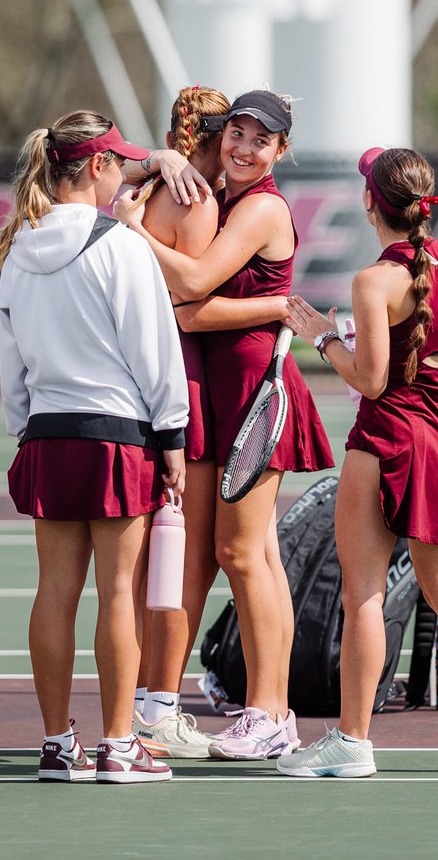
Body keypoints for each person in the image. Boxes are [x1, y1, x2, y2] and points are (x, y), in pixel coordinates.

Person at [277, 145, 438, 778]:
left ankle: (351, 741)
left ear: (371, 203)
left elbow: (369, 382)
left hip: (386, 439)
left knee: (362, 595)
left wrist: (323, 336)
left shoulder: (373, 281)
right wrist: (422, 362)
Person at [115, 90, 334, 760]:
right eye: (236, 133)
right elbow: (99, 157)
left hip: (252, 391)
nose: (243, 147)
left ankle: (269, 713)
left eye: (259, 140)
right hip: (221, 390)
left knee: (244, 554)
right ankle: (254, 713)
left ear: (280, 152)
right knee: (238, 554)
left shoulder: (261, 205)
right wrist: (154, 162)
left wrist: (130, 231)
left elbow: (193, 293)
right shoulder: (225, 196)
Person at [0, 112, 190, 784]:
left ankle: (55, 744)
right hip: (116, 435)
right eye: (120, 163)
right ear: (101, 167)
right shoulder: (121, 245)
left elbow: (11, 360)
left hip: (49, 433)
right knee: (115, 593)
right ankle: (116, 745)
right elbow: (154, 349)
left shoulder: (17, 245)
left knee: (54, 590)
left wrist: (28, 424)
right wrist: (173, 434)